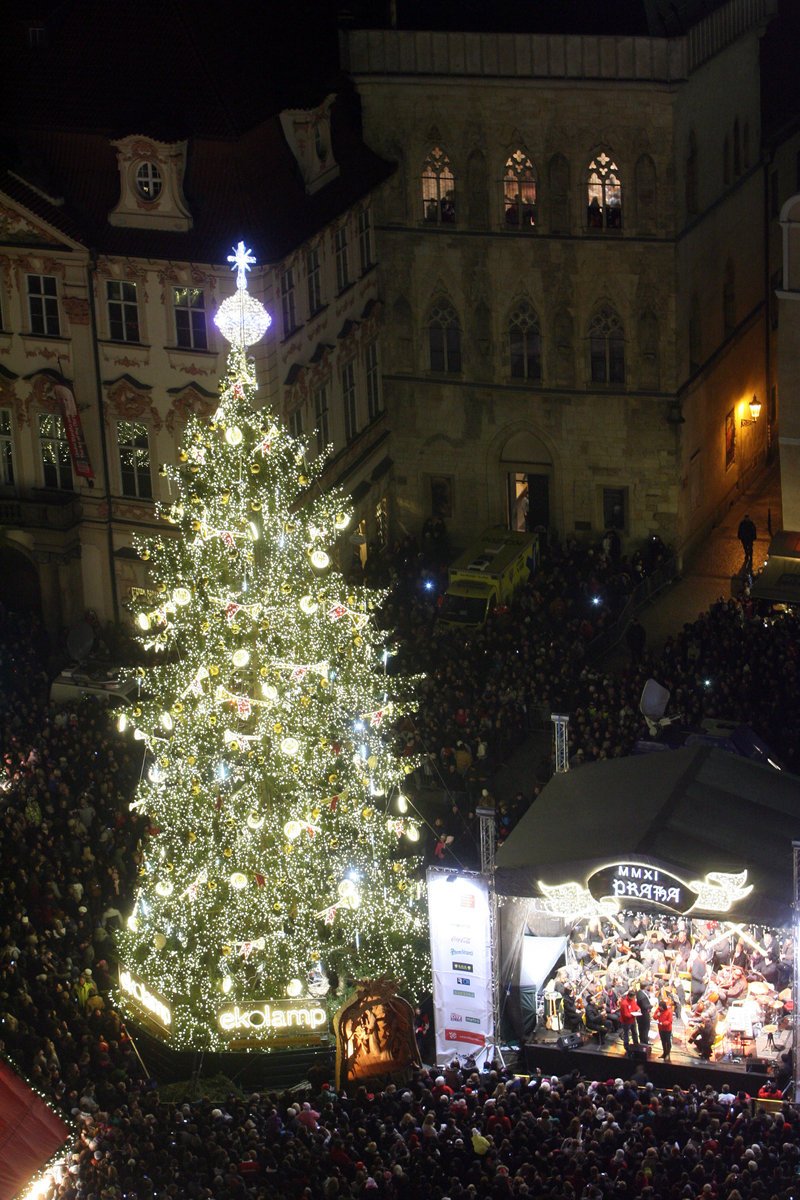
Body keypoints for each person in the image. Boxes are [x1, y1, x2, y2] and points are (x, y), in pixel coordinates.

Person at [618, 988, 641, 1054]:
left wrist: (638, 1009)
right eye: (633, 997)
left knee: (634, 1032)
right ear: (629, 996)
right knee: (626, 1034)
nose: (634, 998)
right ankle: (626, 1046)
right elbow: (626, 1015)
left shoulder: (632, 1000)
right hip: (626, 1022)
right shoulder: (624, 1003)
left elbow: (636, 1006)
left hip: (632, 1020)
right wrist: (634, 1014)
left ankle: (636, 1043)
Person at [635, 981, 652, 1046]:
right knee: (645, 1027)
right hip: (644, 1015)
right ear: (645, 987)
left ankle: (642, 1040)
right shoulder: (642, 996)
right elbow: (645, 1006)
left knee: (641, 1027)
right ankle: (645, 1041)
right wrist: (651, 1005)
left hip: (640, 1015)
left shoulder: (639, 992)